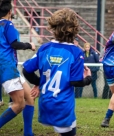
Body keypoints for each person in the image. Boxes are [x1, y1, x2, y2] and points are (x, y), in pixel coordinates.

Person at [22, 8, 92, 136]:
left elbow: (26, 70)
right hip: (62, 105)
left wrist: (41, 82)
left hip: (45, 104)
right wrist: (88, 78)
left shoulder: (44, 48)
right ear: (74, 29)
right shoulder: (76, 52)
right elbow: (75, 81)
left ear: (54, 27)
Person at [0, 0, 36, 136]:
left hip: (3, 67)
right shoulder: (8, 24)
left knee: (29, 97)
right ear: (10, 11)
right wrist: (30, 45)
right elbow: (14, 44)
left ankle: (28, 133)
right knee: (19, 104)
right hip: (7, 68)